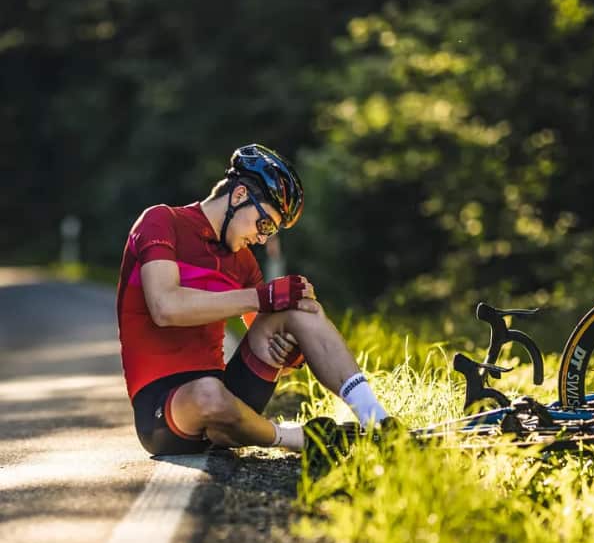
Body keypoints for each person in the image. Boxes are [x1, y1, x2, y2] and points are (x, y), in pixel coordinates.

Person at [116, 143, 392, 459]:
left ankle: (378, 420)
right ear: (238, 197)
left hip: (227, 396)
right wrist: (262, 297)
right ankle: (298, 438)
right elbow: (165, 307)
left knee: (297, 310)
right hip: (165, 413)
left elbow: (269, 342)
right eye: (265, 225)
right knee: (209, 392)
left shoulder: (244, 262)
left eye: (271, 232)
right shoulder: (161, 222)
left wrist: (291, 353)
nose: (263, 239)